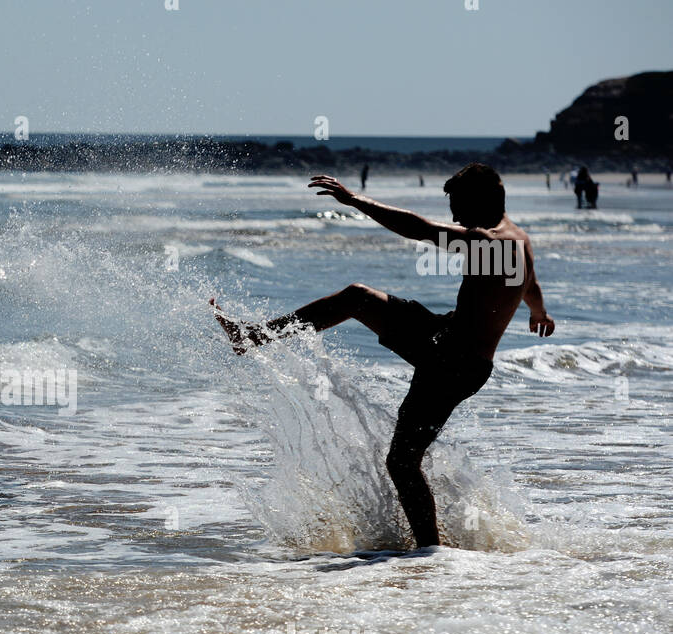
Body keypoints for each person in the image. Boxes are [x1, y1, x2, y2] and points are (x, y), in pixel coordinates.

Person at [209, 164, 554, 548]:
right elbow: (531, 284)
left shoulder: (487, 242)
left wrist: (354, 200)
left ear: (481, 201)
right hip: (451, 344)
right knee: (358, 298)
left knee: (402, 462)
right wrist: (538, 312)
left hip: (451, 361)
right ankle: (253, 336)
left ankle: (430, 551)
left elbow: (420, 229)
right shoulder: (518, 240)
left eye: (459, 206)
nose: (455, 216)